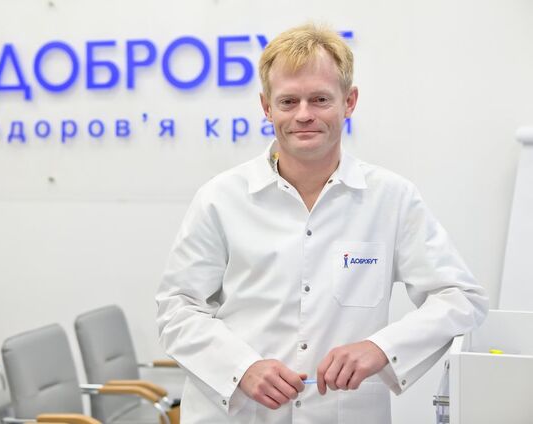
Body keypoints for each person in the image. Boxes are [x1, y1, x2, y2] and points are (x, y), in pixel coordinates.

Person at [156, 24, 488, 424]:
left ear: (349, 101)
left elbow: (460, 298)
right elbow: (177, 308)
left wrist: (382, 348)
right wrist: (240, 367)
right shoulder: (220, 197)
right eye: (288, 101)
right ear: (266, 107)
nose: (304, 115)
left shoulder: (391, 198)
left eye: (320, 99)